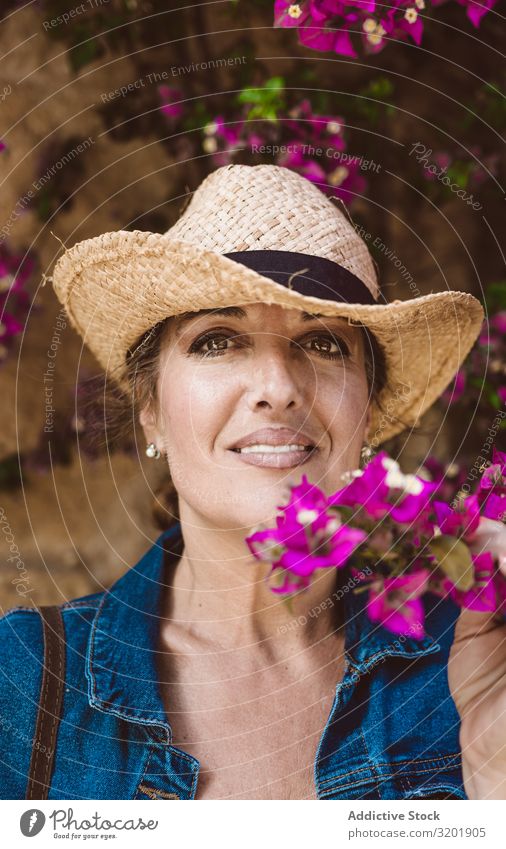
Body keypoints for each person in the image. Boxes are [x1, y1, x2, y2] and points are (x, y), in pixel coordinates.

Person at [0, 163, 504, 800]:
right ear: (151, 408)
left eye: (322, 344)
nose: (279, 390)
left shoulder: (470, 667)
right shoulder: (22, 680)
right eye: (217, 341)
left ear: (368, 411)